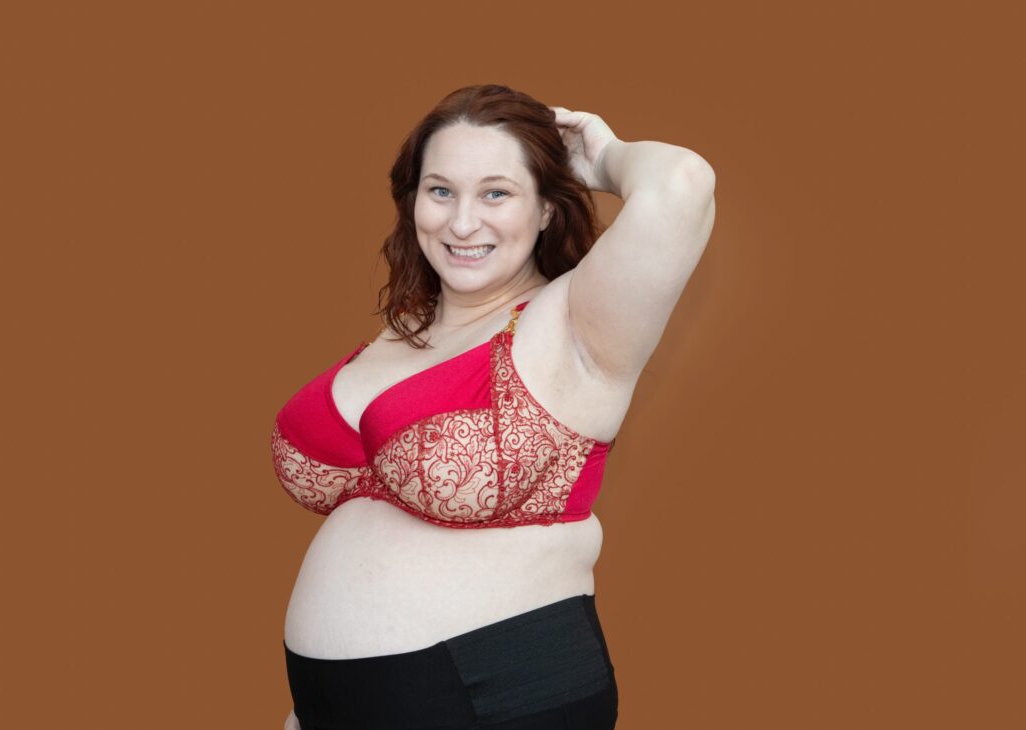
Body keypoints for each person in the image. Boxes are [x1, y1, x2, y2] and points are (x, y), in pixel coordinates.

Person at [271, 83, 716, 729]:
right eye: (441, 190)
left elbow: (682, 181)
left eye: (496, 193)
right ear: (412, 199)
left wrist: (604, 158)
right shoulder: (402, 329)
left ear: (544, 208)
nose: (461, 222)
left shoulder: (575, 320)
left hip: (492, 697)